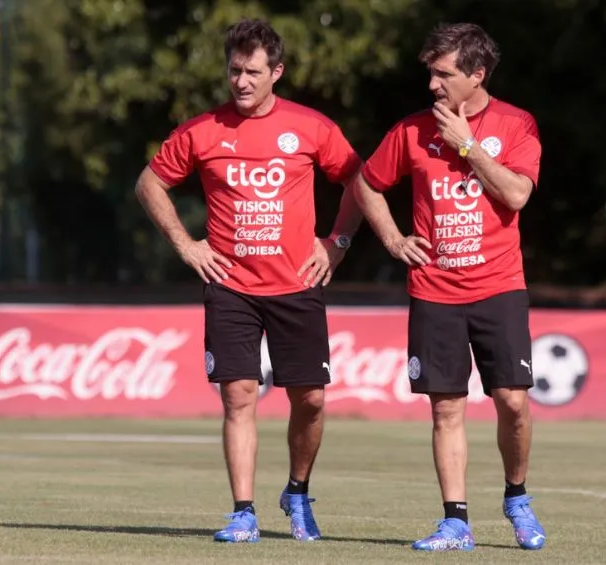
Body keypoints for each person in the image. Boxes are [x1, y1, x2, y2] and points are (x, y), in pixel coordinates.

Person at [135, 18, 362, 544]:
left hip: (296, 284)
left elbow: (359, 179)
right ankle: (243, 511)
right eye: (234, 70)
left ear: (276, 72)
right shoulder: (201, 130)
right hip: (231, 286)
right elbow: (149, 183)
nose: (241, 81)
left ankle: (298, 491)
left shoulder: (311, 127)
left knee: (311, 401)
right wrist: (185, 244)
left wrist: (337, 243)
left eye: (253, 71)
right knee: (239, 395)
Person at [353, 22, 546, 552]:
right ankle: (456, 522)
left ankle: (516, 497)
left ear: (477, 74)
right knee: (446, 409)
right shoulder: (411, 130)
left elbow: (517, 195)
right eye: (431, 74)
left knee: (511, 401)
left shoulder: (515, 124)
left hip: (499, 286)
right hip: (434, 290)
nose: (433, 85)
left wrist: (468, 148)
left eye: (444, 74)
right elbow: (366, 184)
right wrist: (394, 240)